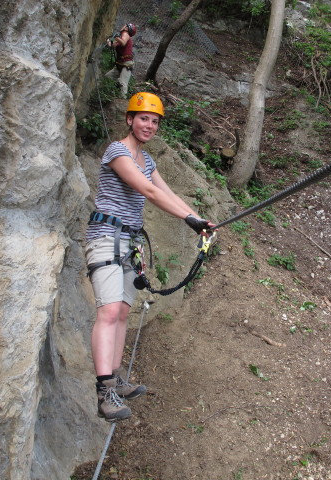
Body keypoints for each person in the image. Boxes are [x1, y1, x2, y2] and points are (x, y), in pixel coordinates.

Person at [85, 92, 215, 422]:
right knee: (110, 311)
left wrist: (198, 220)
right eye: (143, 118)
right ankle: (104, 393)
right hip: (105, 236)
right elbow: (149, 192)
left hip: (128, 241)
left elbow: (167, 192)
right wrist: (189, 220)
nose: (150, 125)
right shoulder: (118, 151)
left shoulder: (148, 162)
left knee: (123, 313)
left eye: (155, 121)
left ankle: (116, 380)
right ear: (130, 119)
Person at [105, 23, 137, 99]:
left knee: (122, 82)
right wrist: (107, 40)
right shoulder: (122, 36)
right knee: (108, 77)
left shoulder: (125, 33)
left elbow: (123, 43)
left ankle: (122, 100)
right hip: (121, 64)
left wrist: (116, 37)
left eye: (125, 25)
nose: (123, 26)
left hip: (127, 64)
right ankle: (112, 94)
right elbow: (112, 45)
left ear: (127, 28)